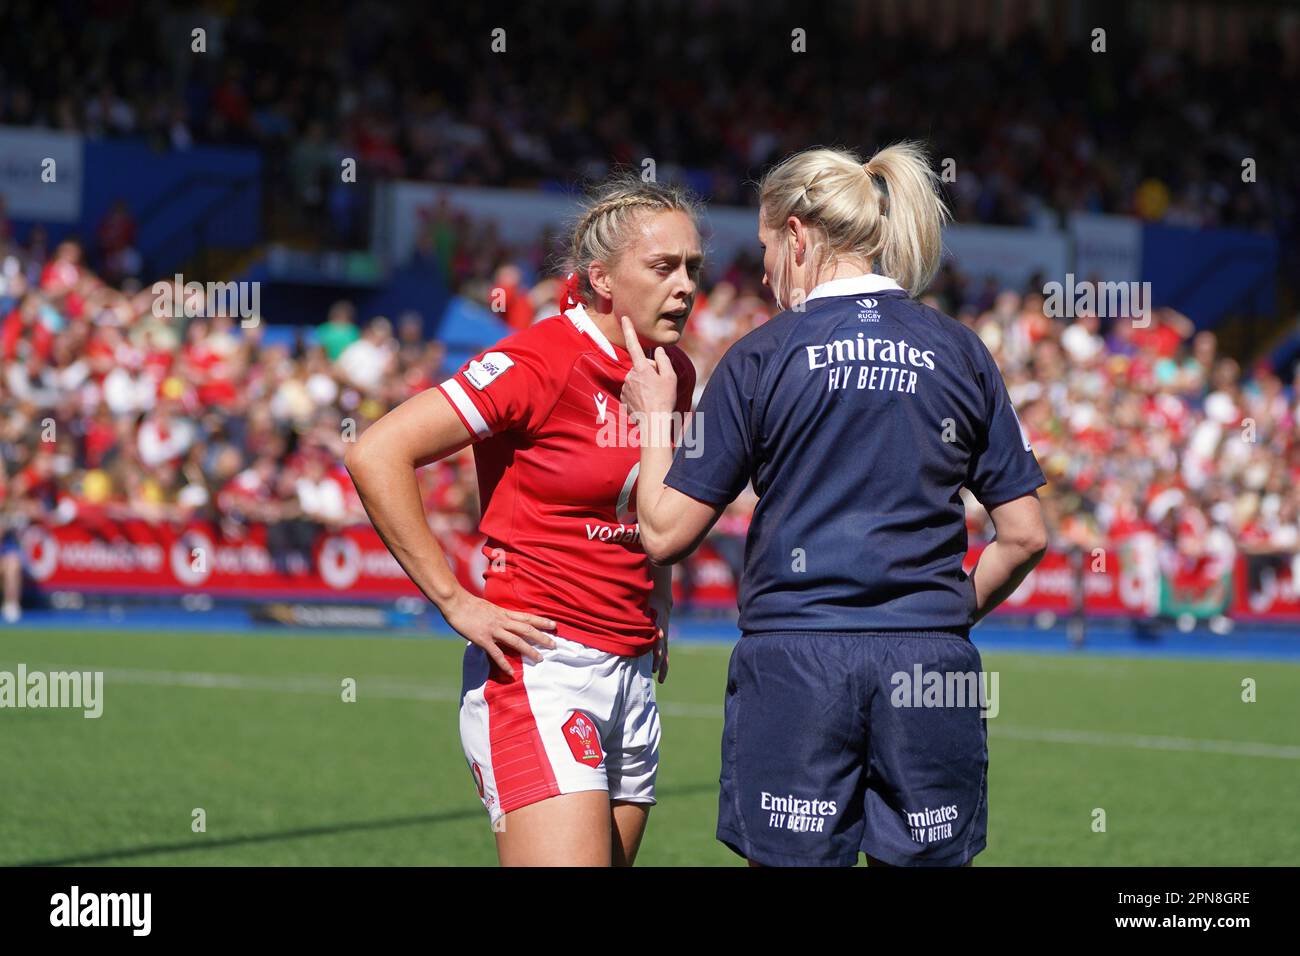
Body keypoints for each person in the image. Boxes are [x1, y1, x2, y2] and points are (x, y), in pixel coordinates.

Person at [619, 143, 1049, 867]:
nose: (761, 271)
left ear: (796, 235)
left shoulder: (761, 356)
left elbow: (662, 533)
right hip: (931, 664)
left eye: (764, 247)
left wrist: (656, 419)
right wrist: (937, 614)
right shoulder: (961, 350)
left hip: (799, 663)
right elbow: (1026, 535)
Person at [346, 175, 700, 866]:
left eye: (693, 267)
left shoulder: (671, 373)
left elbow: (644, 499)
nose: (686, 285)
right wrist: (454, 600)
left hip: (631, 672)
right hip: (543, 668)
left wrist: (654, 592)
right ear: (601, 277)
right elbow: (377, 451)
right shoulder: (536, 361)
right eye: (663, 267)